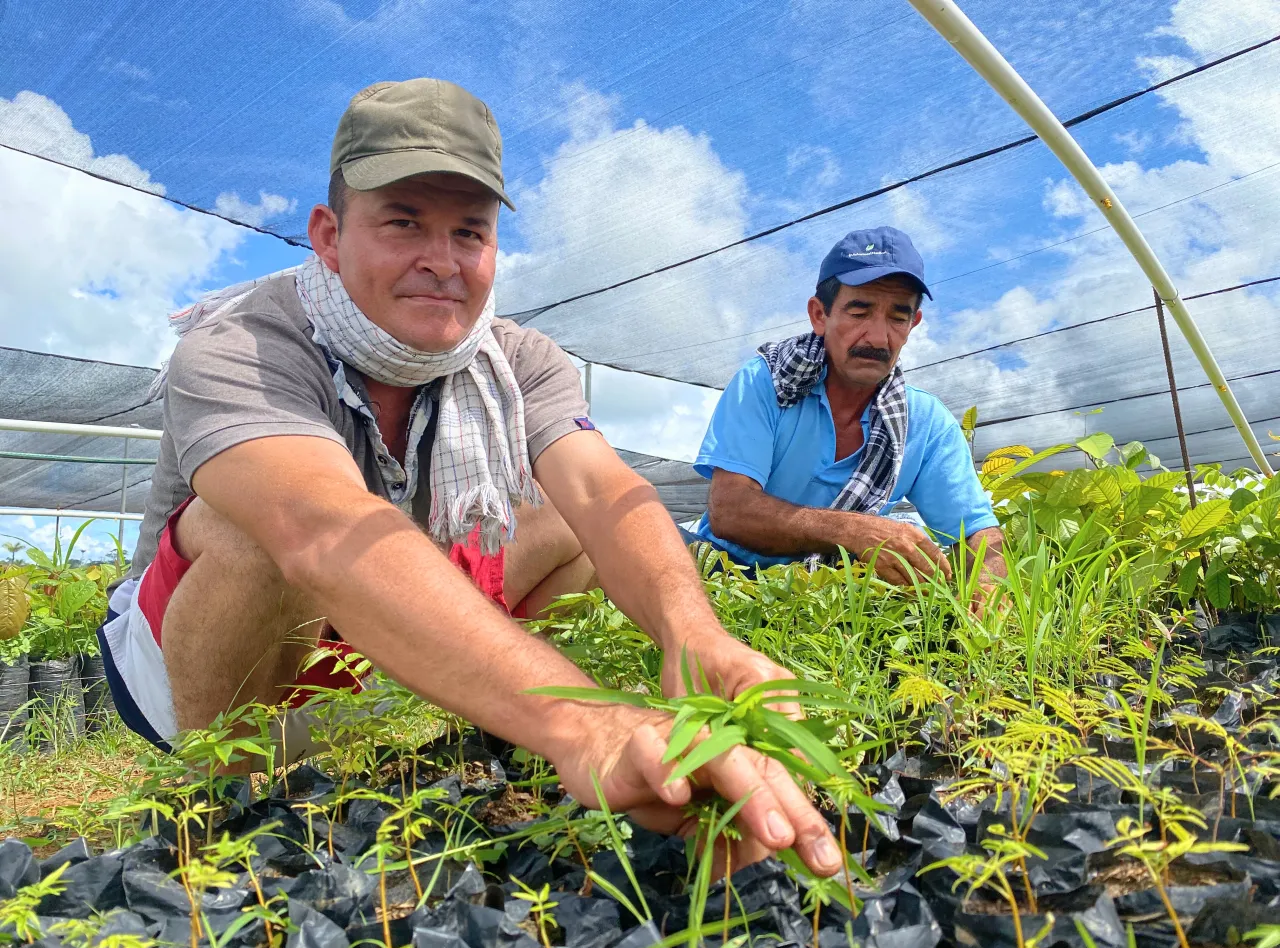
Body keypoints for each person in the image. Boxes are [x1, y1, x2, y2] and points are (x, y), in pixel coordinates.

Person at [96, 78, 841, 876]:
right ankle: (221, 817)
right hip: (189, 681)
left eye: (469, 232)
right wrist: (585, 723)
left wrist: (694, 635)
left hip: (362, 656)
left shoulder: (517, 361)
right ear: (328, 233)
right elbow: (322, 532)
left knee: (570, 528)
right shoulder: (244, 343)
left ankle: (500, 745)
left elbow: (601, 490)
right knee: (252, 525)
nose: (441, 262)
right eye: (403, 222)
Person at [685, 226, 1005, 596]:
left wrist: (989, 586)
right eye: (859, 312)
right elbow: (731, 511)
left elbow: (978, 533)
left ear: (913, 324)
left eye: (897, 317)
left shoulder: (925, 422)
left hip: (834, 592)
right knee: (630, 541)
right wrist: (853, 531)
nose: (878, 338)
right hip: (724, 572)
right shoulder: (766, 381)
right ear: (819, 315)